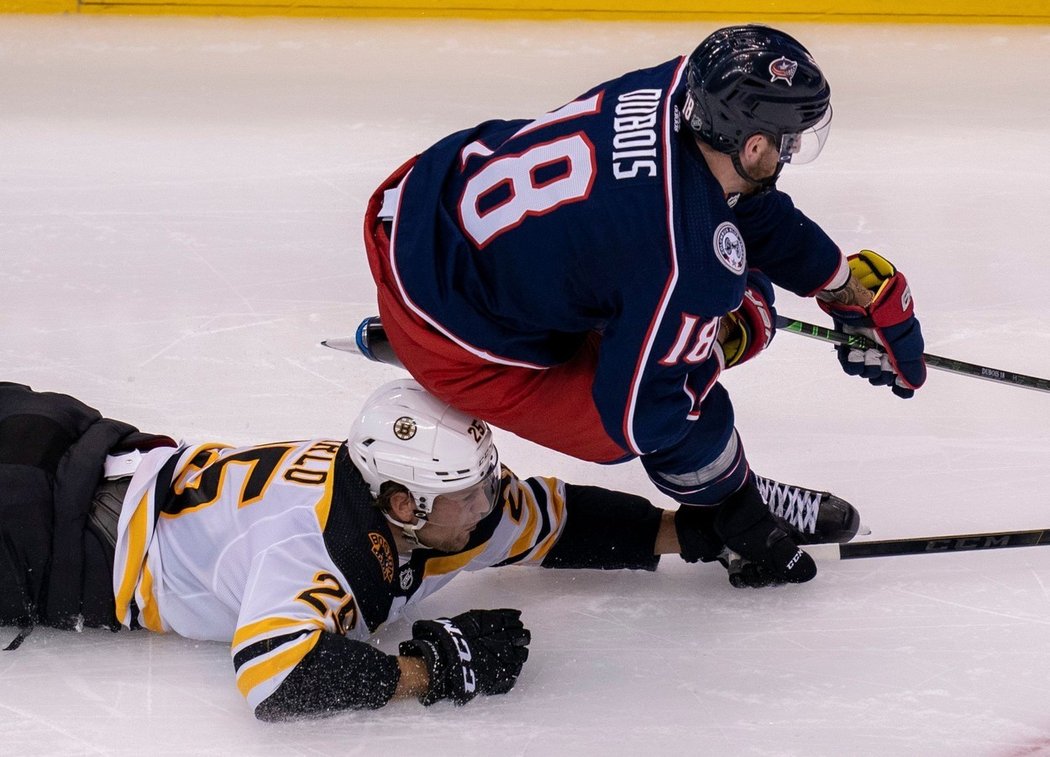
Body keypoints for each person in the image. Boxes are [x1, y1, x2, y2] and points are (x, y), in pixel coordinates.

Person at [360, 24, 924, 588]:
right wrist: (733, 504)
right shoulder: (688, 263)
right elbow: (645, 418)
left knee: (722, 299)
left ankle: (655, 333)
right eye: (788, 140)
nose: (792, 150)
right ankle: (418, 344)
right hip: (450, 336)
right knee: (732, 325)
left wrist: (842, 283)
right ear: (753, 144)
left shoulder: (678, 84)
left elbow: (730, 199)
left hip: (421, 209)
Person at [0, 378, 858, 720]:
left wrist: (701, 531)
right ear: (404, 504)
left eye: (485, 480)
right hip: (54, 544)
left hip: (79, 454)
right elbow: (272, 677)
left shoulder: (428, 508)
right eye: (472, 493)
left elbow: (556, 520)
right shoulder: (315, 550)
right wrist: (427, 670)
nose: (493, 504)